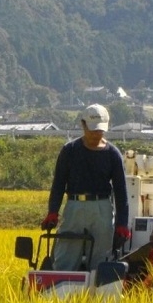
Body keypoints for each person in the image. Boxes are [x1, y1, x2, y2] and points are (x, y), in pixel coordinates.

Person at [41, 103, 130, 271]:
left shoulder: (113, 154)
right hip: (74, 207)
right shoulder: (70, 150)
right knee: (66, 254)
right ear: (83, 124)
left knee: (101, 258)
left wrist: (122, 224)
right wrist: (53, 211)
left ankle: (98, 285)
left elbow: (121, 192)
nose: (96, 134)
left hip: (102, 209)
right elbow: (58, 184)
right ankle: (60, 283)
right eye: (93, 129)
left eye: (100, 130)